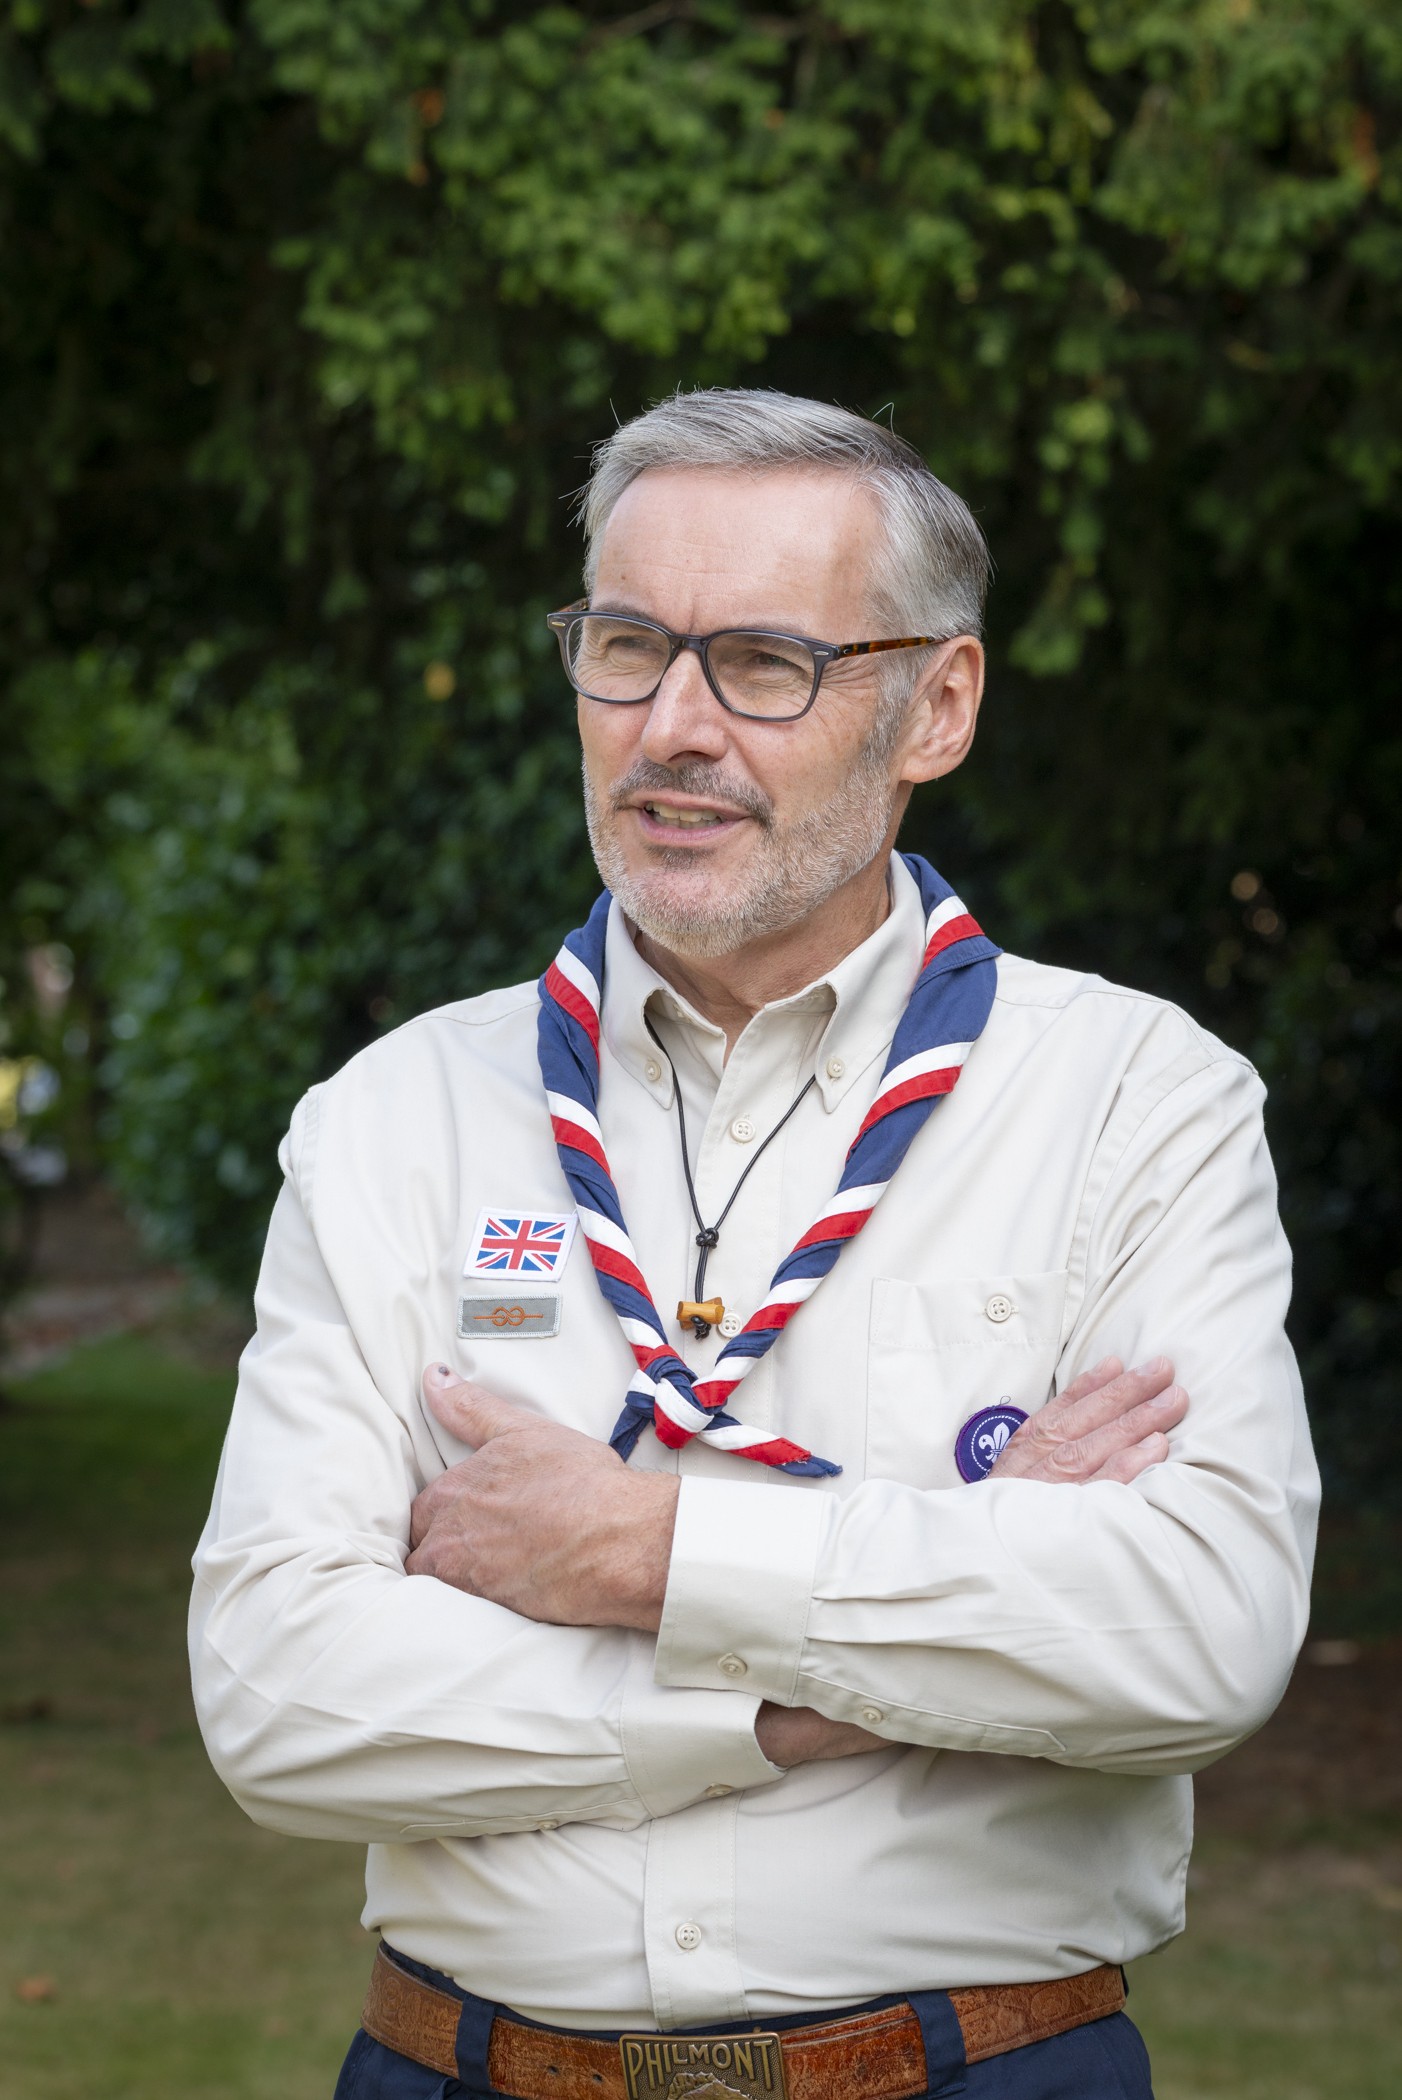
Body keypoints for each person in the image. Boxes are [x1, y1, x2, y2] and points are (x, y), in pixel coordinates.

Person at [190, 389, 1319, 2100]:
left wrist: (640, 1551)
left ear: (934, 704)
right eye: (628, 646)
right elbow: (279, 1696)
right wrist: (820, 1690)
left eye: (768, 662)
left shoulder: (1131, 1100)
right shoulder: (392, 1116)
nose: (673, 728)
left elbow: (1194, 1631)